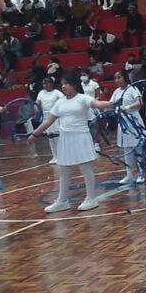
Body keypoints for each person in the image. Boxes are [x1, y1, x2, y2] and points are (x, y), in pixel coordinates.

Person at [27, 74, 118, 213]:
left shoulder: (83, 98)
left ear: (74, 85)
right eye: (62, 84)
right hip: (65, 139)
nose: (63, 86)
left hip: (81, 137)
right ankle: (62, 201)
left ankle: (91, 198)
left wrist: (114, 103)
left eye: (66, 83)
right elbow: (48, 121)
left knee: (85, 168)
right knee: (63, 170)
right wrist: (35, 134)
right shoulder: (60, 102)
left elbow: (98, 104)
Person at [109, 70, 145, 185]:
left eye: (119, 77)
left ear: (125, 77)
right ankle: (129, 174)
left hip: (134, 121)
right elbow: (110, 104)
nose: (117, 80)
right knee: (127, 149)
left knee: (138, 148)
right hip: (123, 123)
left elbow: (140, 102)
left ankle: (142, 173)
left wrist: (127, 107)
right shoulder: (116, 92)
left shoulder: (132, 89)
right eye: (115, 78)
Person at [36, 76, 63, 165]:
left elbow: (63, 101)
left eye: (47, 83)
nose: (45, 85)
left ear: (51, 84)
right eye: (44, 84)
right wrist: (35, 106)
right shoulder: (41, 93)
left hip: (55, 115)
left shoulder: (57, 92)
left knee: (57, 135)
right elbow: (37, 102)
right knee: (50, 136)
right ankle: (54, 156)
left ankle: (60, 156)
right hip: (46, 116)